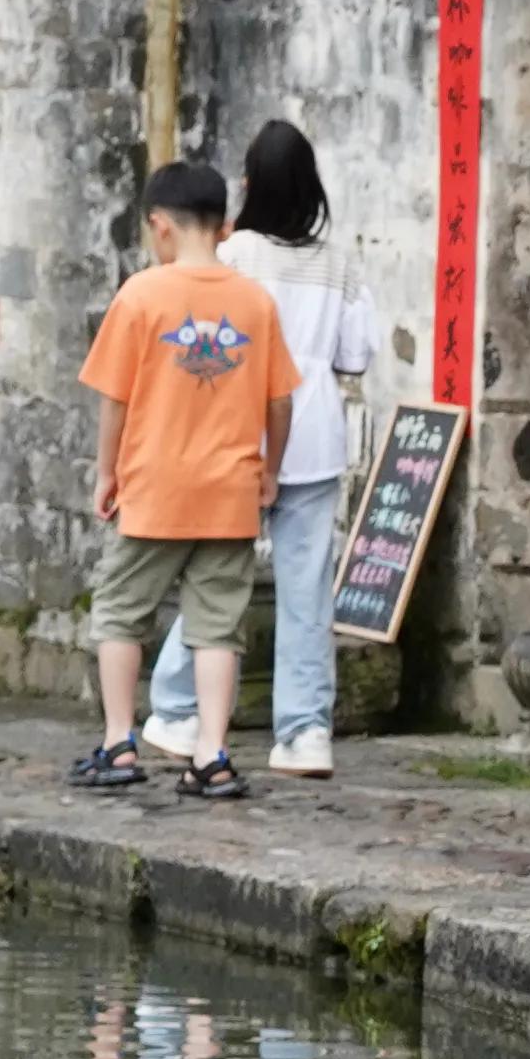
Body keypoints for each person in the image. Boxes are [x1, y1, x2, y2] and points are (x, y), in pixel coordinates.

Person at [146, 118, 381, 782]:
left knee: (217, 581)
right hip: (315, 438)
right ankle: (305, 733)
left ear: (251, 184)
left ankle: (175, 708)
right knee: (308, 592)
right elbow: (355, 356)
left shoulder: (236, 254)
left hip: (237, 439)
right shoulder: (339, 262)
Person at [74, 158, 299, 803]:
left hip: (153, 488)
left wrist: (106, 473)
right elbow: (280, 401)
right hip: (229, 493)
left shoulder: (142, 295)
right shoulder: (254, 302)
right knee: (217, 627)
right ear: (224, 227)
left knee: (120, 613)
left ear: (160, 225)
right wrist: (271, 471)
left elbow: (114, 398)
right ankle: (212, 753)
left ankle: (120, 741)